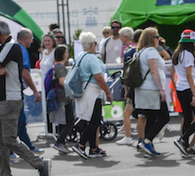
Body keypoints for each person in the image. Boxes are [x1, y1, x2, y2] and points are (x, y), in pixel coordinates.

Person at [0, 18, 51, 176]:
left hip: (10, 99)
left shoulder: (11, 46)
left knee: (9, 139)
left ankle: (40, 164)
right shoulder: (1, 48)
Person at [69, 31, 114, 159]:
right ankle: (81, 144)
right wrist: (108, 92)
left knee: (92, 120)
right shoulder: (92, 58)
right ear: (92, 44)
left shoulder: (80, 56)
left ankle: (93, 148)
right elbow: (99, 77)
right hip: (93, 92)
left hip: (85, 90)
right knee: (94, 121)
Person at [134, 27, 170, 159]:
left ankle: (148, 145)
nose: (159, 39)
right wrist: (161, 89)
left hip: (142, 90)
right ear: (151, 39)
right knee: (164, 117)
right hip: (151, 89)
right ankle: (147, 141)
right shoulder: (152, 52)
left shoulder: (140, 52)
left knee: (150, 118)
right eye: (156, 37)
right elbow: (154, 71)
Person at [172, 29, 195, 157]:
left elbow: (174, 72)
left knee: (188, 117)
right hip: (188, 89)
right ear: (191, 43)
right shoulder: (188, 55)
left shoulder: (177, 53)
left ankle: (185, 146)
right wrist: (194, 93)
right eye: (194, 42)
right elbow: (189, 75)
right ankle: (183, 139)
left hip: (180, 88)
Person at [49, 45, 75, 153]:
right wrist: (72, 91)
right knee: (70, 121)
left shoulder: (56, 65)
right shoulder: (60, 67)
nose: (67, 54)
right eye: (66, 52)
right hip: (63, 97)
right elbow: (62, 81)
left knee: (63, 122)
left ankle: (61, 144)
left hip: (60, 97)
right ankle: (59, 142)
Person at [118, 27, 137, 146]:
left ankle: (128, 136)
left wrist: (126, 89)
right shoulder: (137, 49)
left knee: (127, 112)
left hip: (130, 85)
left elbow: (125, 70)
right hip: (138, 85)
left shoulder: (126, 50)